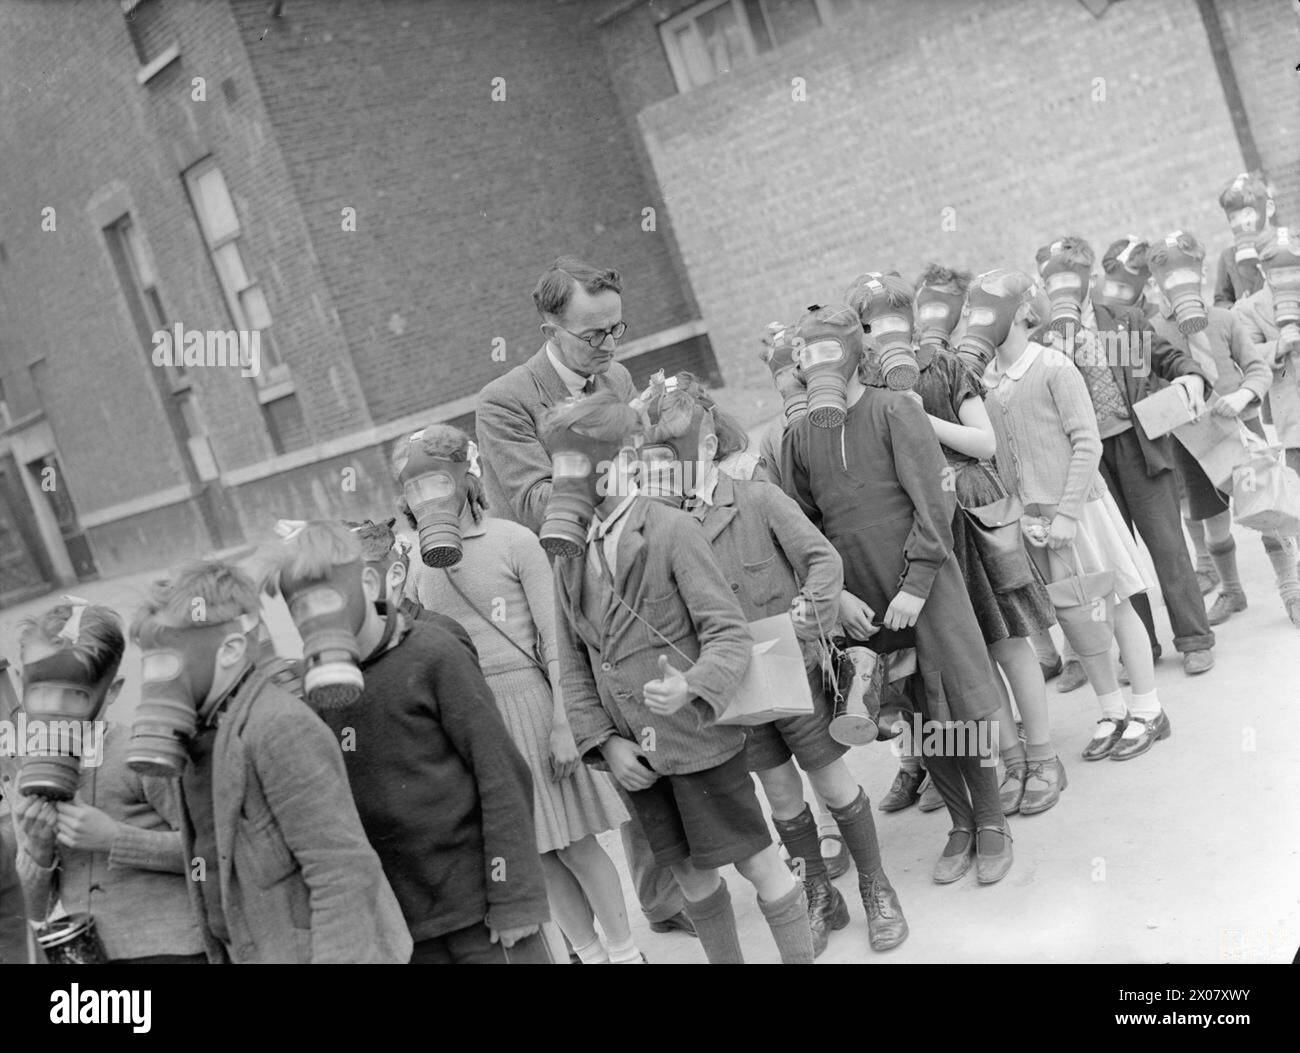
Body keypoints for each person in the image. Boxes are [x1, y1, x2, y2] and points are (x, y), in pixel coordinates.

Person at [640, 375, 907, 953]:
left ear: (708, 448)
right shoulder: (665, 528)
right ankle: (818, 894)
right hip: (734, 687)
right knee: (782, 796)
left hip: (796, 671)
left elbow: (821, 559)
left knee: (834, 784)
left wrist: (809, 614)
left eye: (674, 455)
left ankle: (875, 887)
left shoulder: (757, 497)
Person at [547, 392, 815, 963]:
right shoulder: (568, 555)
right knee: (692, 880)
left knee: (756, 863)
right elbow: (572, 662)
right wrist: (605, 743)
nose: (567, 478)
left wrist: (691, 686)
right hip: (637, 762)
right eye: (560, 465)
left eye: (580, 463)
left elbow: (728, 632)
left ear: (623, 459)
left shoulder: (670, 530)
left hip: (699, 743)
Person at [475, 256, 691, 937]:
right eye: (593, 335)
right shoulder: (506, 400)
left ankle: (673, 887)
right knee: (621, 733)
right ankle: (655, 904)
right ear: (549, 326)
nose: (609, 348)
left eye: (617, 329)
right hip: (570, 578)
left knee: (664, 710)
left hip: (639, 556)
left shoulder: (619, 377)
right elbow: (537, 502)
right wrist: (606, 446)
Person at [782, 302, 1014, 885]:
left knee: (952, 699)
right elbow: (801, 526)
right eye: (807, 355)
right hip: (859, 597)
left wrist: (915, 584)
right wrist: (832, 596)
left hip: (924, 587)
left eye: (828, 351)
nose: (818, 364)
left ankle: (990, 820)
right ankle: (958, 822)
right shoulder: (799, 436)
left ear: (858, 354)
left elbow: (934, 502)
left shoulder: (895, 411)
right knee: (908, 706)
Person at [399, 425, 642, 965]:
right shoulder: (412, 563)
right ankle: (588, 954)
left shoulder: (513, 540)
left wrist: (565, 722)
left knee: (577, 845)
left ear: (466, 478)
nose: (427, 498)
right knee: (536, 854)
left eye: (438, 481)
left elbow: (557, 638)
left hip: (532, 705)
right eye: (415, 488)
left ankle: (626, 954)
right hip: (475, 720)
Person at [263, 520, 553, 964]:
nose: (315, 619)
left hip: (484, 912)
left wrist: (514, 897)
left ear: (367, 582)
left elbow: (500, 773)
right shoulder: (308, 692)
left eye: (327, 599)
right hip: (401, 928)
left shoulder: (434, 654)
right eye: (300, 608)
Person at [130, 560, 411, 963]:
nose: (155, 680)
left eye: (166, 662)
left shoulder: (279, 727)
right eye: (149, 663)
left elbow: (342, 871)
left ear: (229, 651)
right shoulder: (197, 735)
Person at [869, 267, 1059, 818]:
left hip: (974, 510)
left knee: (1007, 638)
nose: (882, 333)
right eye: (870, 324)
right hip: (927, 523)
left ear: (912, 320)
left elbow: (983, 442)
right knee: (970, 652)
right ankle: (1011, 759)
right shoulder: (871, 385)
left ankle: (1043, 757)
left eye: (890, 321)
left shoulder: (946, 366)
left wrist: (921, 420)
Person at [976, 269, 1170, 762]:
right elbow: (1000, 459)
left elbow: (1087, 442)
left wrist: (1065, 515)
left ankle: (1148, 710)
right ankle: (1111, 710)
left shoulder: (1055, 366)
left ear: (1022, 312)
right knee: (1073, 614)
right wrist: (1023, 515)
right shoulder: (988, 382)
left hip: (1081, 510)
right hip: (1035, 521)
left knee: (1117, 604)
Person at [1031, 236, 1215, 677]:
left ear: (1092, 278)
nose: (1063, 290)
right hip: (1087, 461)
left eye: (1072, 280)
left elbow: (1170, 360)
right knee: (1117, 560)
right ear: (1042, 288)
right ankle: (1142, 647)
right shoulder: (1043, 341)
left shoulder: (1126, 321)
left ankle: (1194, 639)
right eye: (1051, 282)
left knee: (1168, 546)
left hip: (1140, 448)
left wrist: (1190, 379)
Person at [10, 601, 206, 964]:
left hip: (173, 949)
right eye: (42, 691)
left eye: (73, 693)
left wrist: (116, 838)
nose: (56, 708)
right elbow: (34, 907)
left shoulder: (141, 755)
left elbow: (207, 854)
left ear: (111, 690)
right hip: (89, 955)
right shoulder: (29, 772)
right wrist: (37, 851)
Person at [1146, 232, 1297, 629]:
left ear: (1201, 275)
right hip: (1193, 443)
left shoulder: (1225, 319)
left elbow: (1258, 367)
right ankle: (1231, 589)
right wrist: (1177, 397)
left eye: (1187, 278)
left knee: (1269, 510)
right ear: (1156, 284)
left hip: (1242, 429)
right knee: (1212, 520)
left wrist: (1246, 393)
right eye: (1169, 280)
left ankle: (1291, 586)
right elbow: (1144, 388)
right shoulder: (1150, 331)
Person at [1213, 173, 1277, 308]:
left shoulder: (1291, 244)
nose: (1241, 223)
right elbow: (1221, 301)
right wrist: (1236, 309)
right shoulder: (1228, 257)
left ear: (1269, 208)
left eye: (1247, 214)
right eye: (1233, 218)